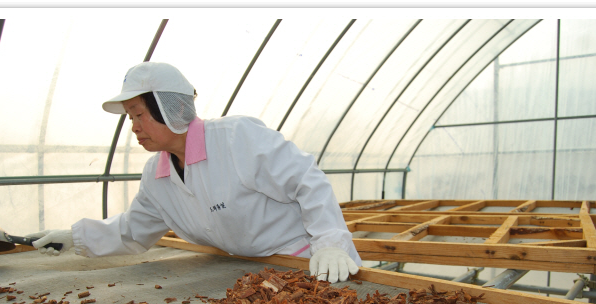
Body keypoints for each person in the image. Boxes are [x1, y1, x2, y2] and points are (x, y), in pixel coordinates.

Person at [30, 62, 361, 283]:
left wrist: (330, 243)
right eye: (130, 118)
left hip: (310, 262)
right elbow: (133, 230)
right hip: (254, 274)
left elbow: (306, 181)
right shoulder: (156, 176)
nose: (134, 127)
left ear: (169, 108)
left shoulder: (237, 138)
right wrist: (74, 238)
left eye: (139, 114)